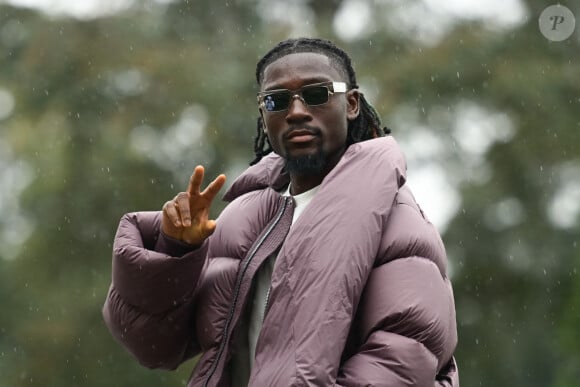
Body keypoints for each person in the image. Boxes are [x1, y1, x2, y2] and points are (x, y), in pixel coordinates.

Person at [103, 37, 459, 387]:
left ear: (351, 105)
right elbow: (154, 345)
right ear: (263, 112)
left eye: (317, 94)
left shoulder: (398, 222)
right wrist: (175, 249)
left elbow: (402, 358)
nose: (297, 111)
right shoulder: (241, 219)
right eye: (277, 100)